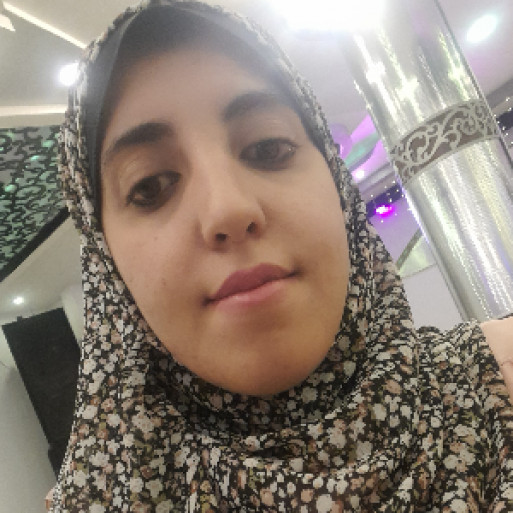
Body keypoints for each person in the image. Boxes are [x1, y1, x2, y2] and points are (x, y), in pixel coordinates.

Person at [49, 0, 513, 510]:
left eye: (267, 147)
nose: (228, 208)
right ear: (106, 263)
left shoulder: (501, 377)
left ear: (335, 181)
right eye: (151, 185)